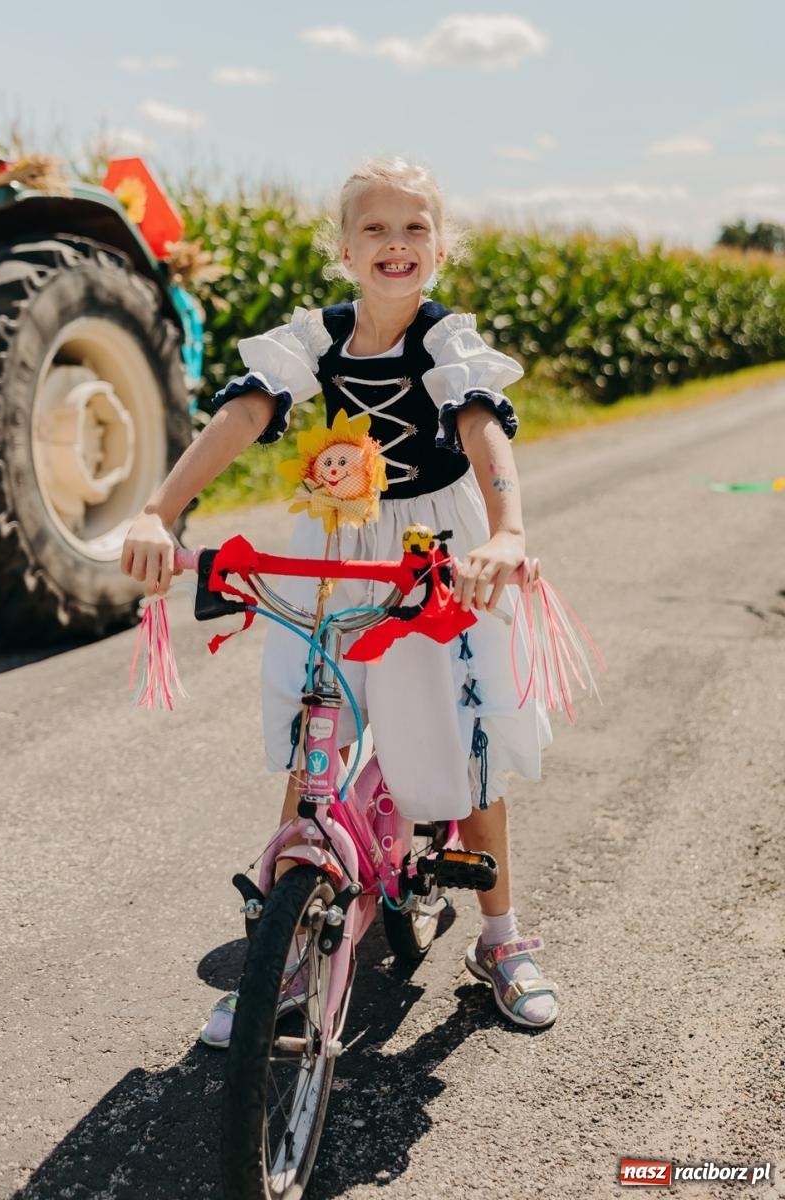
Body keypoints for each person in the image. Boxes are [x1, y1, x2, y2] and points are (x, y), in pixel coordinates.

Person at [120, 157, 558, 1044]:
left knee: (465, 735)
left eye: (415, 229)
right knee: (321, 729)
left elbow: (480, 428)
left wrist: (506, 531)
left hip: (437, 536)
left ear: (440, 245)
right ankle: (279, 963)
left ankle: (501, 938)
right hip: (341, 537)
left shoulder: (444, 339)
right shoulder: (315, 336)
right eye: (376, 229)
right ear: (345, 249)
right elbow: (245, 414)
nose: (396, 244)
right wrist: (160, 510)